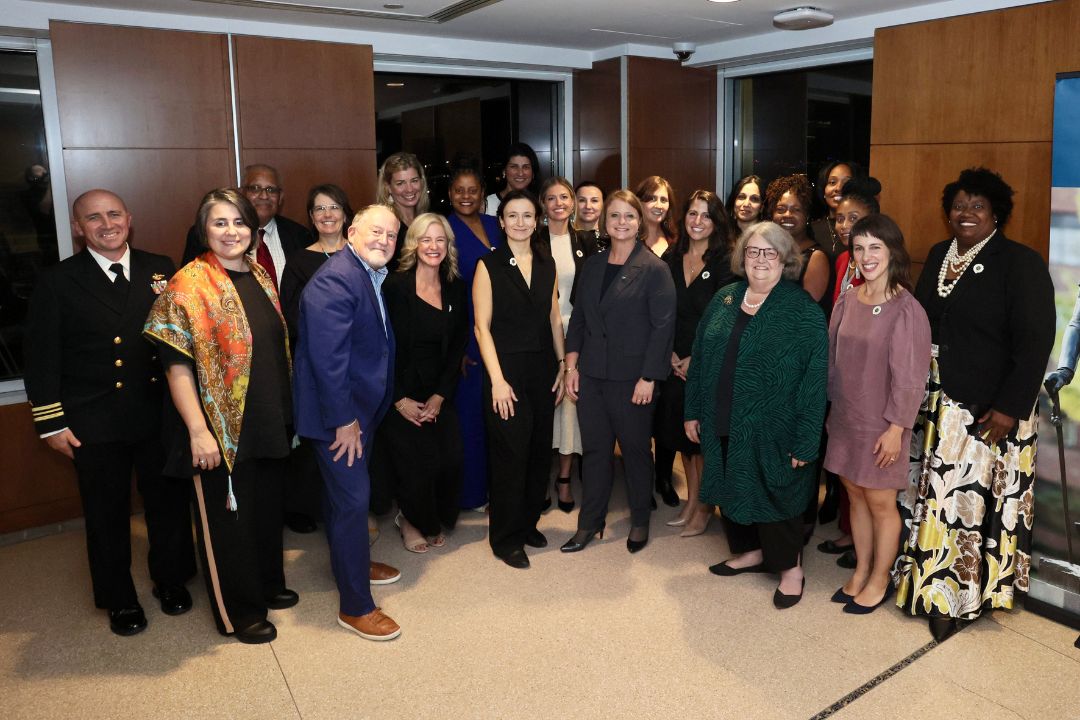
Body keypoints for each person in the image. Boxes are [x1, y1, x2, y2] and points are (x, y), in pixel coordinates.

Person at [25, 189, 196, 637]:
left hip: (159, 413)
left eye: (114, 214)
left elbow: (183, 340)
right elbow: (41, 358)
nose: (106, 224)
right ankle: (118, 597)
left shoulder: (160, 267)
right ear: (79, 228)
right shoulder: (58, 281)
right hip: (94, 420)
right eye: (94, 218)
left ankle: (171, 578)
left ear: (129, 219)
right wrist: (51, 422)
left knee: (168, 505)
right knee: (106, 514)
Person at [895, 167, 1055, 642]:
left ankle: (955, 599)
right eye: (959, 204)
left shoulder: (1019, 262)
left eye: (977, 205)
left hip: (988, 409)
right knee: (930, 497)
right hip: (936, 400)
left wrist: (1008, 407)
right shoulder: (943, 254)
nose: (965, 213)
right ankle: (921, 579)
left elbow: (1035, 343)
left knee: (963, 504)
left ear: (996, 213)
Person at [145, 188, 294, 644]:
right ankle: (240, 612)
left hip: (268, 419)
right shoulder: (187, 285)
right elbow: (177, 367)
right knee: (228, 524)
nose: (231, 232)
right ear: (203, 230)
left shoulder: (259, 274)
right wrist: (197, 431)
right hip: (219, 429)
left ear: (253, 229)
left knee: (265, 513)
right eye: (220, 223)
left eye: (240, 222)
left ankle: (267, 584)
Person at [685, 221, 827, 609]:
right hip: (722, 418)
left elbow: (815, 382)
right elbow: (700, 358)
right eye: (753, 251)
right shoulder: (726, 298)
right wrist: (693, 410)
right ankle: (750, 552)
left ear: (785, 259)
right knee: (731, 485)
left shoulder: (803, 311)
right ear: (742, 257)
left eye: (770, 252)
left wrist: (806, 438)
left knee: (779, 495)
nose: (760, 259)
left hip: (776, 428)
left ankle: (790, 569)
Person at [293, 204, 404, 641]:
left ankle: (352, 564)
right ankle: (355, 606)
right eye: (376, 232)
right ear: (353, 232)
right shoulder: (337, 279)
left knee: (347, 500)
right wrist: (343, 421)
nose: (383, 241)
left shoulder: (366, 273)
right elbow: (327, 360)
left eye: (392, 236)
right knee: (353, 501)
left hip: (360, 410)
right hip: (338, 417)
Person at [824, 214, 931, 614]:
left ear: (891, 252)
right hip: (847, 418)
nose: (866, 256)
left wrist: (897, 428)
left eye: (875, 247)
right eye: (859, 248)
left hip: (884, 423)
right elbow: (832, 362)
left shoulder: (906, 310)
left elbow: (910, 377)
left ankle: (881, 578)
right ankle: (862, 570)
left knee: (881, 503)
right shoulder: (847, 300)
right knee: (855, 497)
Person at [561, 190, 676, 555]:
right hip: (592, 374)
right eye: (615, 216)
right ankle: (589, 523)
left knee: (636, 452)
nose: (621, 223)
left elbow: (663, 328)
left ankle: (640, 519)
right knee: (595, 452)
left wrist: (649, 377)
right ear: (604, 222)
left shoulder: (655, 269)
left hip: (633, 380)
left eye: (629, 216)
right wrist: (571, 366)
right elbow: (578, 320)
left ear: (639, 222)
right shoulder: (592, 265)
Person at [474, 190, 566, 568]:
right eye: (512, 215)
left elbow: (554, 317)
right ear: (501, 221)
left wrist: (564, 365)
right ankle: (505, 538)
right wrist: (497, 380)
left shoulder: (548, 264)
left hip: (543, 369)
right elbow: (482, 327)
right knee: (510, 454)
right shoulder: (488, 265)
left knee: (538, 450)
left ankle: (527, 523)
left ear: (537, 219)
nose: (520, 222)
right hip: (506, 372)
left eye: (527, 215)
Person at [379, 213, 468, 553]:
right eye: (426, 239)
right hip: (399, 389)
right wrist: (399, 399)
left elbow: (458, 344)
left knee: (451, 459)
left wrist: (440, 395)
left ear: (448, 246)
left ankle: (430, 515)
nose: (433, 246)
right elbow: (382, 347)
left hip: (438, 389)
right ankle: (410, 520)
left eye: (440, 240)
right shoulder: (395, 286)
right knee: (416, 466)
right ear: (413, 244)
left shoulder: (455, 286)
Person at [656, 190, 736, 531]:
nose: (698, 221)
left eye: (706, 215)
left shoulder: (726, 262)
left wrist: (695, 359)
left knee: (702, 439)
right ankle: (692, 502)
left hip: (707, 362)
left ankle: (704, 508)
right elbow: (660, 310)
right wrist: (669, 352)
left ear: (717, 222)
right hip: (673, 360)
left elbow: (726, 319)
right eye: (692, 214)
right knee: (681, 438)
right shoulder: (671, 258)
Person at [277, 184, 354, 531]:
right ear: (311, 217)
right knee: (319, 438)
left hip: (360, 363)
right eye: (320, 209)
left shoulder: (362, 254)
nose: (327, 215)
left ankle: (351, 506)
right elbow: (290, 316)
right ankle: (314, 509)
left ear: (346, 214)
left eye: (334, 207)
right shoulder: (299, 261)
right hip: (316, 361)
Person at [817, 175, 882, 566]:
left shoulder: (881, 263)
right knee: (843, 463)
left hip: (867, 384)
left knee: (864, 471)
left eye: (853, 218)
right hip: (839, 373)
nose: (843, 226)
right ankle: (847, 532)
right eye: (840, 218)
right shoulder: (843, 258)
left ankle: (868, 547)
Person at [540, 176, 598, 512]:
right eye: (551, 198)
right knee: (547, 402)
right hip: (540, 333)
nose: (559, 203)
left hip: (576, 332)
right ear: (543, 205)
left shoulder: (586, 241)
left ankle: (564, 478)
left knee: (571, 406)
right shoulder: (532, 239)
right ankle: (541, 477)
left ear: (573, 202)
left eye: (565, 197)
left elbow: (590, 294)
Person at [447, 160, 502, 511]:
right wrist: (457, 349)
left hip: (503, 335)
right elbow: (444, 294)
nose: (466, 196)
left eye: (472, 189)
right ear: (449, 194)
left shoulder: (496, 224)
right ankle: (472, 494)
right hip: (467, 336)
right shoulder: (445, 229)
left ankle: (500, 488)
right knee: (470, 420)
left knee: (500, 418)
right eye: (458, 190)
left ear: (483, 194)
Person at [181, 164, 310, 283]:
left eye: (271, 190)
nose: (264, 196)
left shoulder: (300, 236)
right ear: (241, 193)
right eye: (255, 188)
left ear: (280, 197)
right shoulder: (205, 234)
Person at [766, 174, 831, 315]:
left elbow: (802, 312)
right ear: (772, 215)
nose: (787, 214)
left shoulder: (816, 257)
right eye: (781, 209)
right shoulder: (767, 252)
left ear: (807, 216)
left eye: (796, 210)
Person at [376, 152, 430, 270]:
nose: (409, 189)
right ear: (388, 187)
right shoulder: (384, 225)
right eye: (400, 183)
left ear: (422, 182)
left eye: (414, 180)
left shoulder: (429, 221)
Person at [811, 160, 861, 257]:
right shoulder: (811, 230)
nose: (839, 188)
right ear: (824, 191)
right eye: (832, 182)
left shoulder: (864, 227)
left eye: (846, 183)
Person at [484, 143, 542, 215]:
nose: (520, 173)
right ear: (504, 171)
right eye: (514, 167)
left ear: (533, 173)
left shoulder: (541, 203)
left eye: (526, 167)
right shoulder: (487, 205)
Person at [635, 176, 676, 257]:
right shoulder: (630, 239)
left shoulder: (675, 239)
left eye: (663, 200)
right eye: (653, 199)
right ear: (640, 202)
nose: (658, 205)